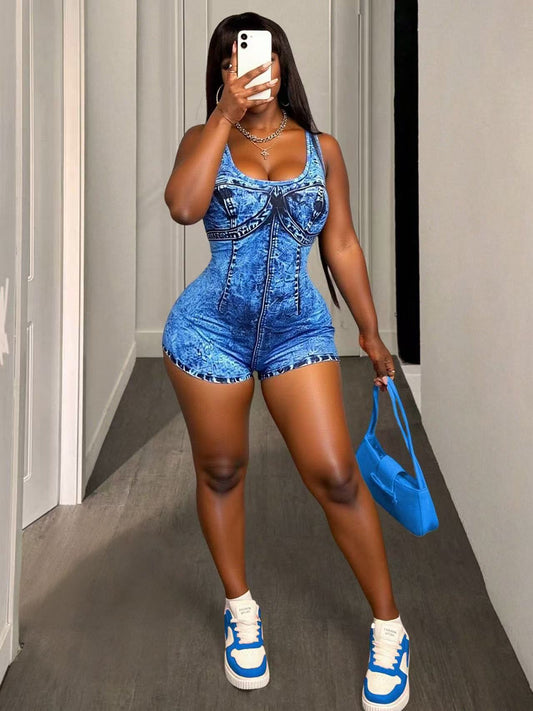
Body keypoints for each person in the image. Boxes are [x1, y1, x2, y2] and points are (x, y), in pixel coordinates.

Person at [162, 12, 410, 711]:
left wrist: (370, 331)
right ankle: (240, 608)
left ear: (281, 64)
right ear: (221, 74)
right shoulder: (203, 139)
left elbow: (342, 244)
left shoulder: (322, 148)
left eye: (258, 58)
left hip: (297, 329)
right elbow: (183, 207)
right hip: (209, 331)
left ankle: (389, 626)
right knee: (221, 470)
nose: (246, 69)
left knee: (336, 474)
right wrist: (223, 115)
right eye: (230, 61)